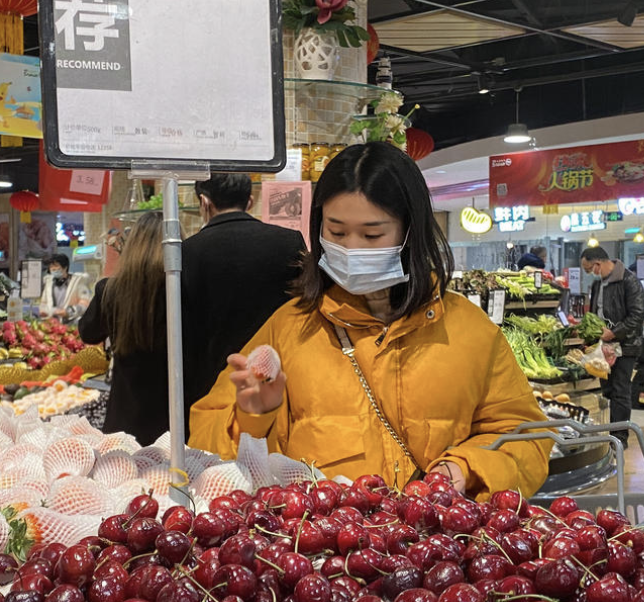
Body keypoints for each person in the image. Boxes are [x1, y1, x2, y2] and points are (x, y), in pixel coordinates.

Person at [191, 142, 550, 497]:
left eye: (372, 234)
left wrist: (466, 468)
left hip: (437, 546)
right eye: (336, 232)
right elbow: (205, 448)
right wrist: (253, 416)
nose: (352, 248)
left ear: (410, 232)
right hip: (323, 547)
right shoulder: (289, 328)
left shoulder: (469, 331)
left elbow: (527, 438)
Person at [181, 172, 306, 418]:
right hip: (276, 382)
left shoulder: (187, 251)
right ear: (250, 201)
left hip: (207, 387)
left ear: (204, 202)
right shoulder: (289, 241)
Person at [78, 214, 169, 445]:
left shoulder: (110, 290)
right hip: (176, 418)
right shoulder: (182, 288)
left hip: (125, 416)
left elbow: (87, 333)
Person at [581, 245, 644, 439]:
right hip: (604, 346)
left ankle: (619, 437)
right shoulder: (597, 285)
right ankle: (610, 432)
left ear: (598, 264)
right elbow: (595, 313)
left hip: (625, 346)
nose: (590, 274)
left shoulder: (629, 282)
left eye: (589, 269)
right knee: (607, 390)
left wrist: (615, 333)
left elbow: (637, 315)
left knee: (620, 391)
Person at [39, 252, 89, 319]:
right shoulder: (49, 282)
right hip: (53, 323)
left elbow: (85, 303)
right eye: (51, 267)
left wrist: (68, 312)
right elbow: (44, 302)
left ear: (65, 267)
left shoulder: (78, 282)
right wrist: (43, 311)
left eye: (56, 266)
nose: (53, 269)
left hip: (72, 323)